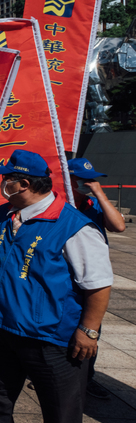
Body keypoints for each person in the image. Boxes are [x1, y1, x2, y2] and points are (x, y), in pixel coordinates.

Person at [0, 150, 112, 423]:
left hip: (48, 334)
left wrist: (88, 330)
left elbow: (99, 284)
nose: (1, 184)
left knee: (62, 405)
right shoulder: (4, 214)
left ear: (22, 183)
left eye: (5, 179)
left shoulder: (73, 226)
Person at [67, 157, 126, 401]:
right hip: (64, 275)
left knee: (91, 329)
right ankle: (61, 377)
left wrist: (99, 194)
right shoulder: (60, 204)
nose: (88, 183)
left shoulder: (93, 203)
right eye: (81, 179)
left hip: (90, 277)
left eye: (91, 179)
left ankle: (86, 379)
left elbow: (119, 226)